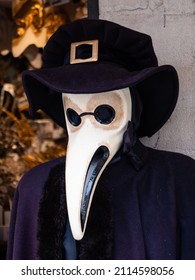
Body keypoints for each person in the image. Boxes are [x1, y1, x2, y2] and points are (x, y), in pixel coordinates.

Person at [7, 19, 195, 260]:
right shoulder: (33, 188)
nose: (87, 128)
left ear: (132, 109)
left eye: (103, 113)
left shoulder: (176, 180)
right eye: (74, 115)